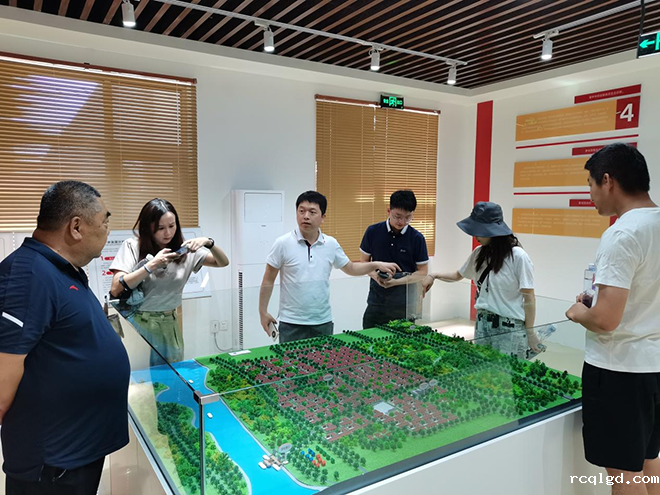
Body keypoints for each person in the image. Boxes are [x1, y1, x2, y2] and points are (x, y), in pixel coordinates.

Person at [0, 181, 130, 495]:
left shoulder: (60, 269)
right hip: (52, 467)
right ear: (76, 227)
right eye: (104, 223)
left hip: (76, 454)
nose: (108, 231)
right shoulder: (28, 275)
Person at [565, 143, 660, 494]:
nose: (590, 194)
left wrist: (579, 312)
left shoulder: (622, 233)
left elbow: (606, 320)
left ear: (608, 181)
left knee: (623, 475)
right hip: (653, 365)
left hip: (619, 371)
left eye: (590, 184)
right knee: (648, 460)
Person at [259, 191, 400, 343]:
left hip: (322, 322)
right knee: (291, 359)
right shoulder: (283, 243)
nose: (306, 216)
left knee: (324, 359)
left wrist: (376, 264)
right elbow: (268, 279)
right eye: (301, 211)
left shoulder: (331, 244)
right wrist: (263, 312)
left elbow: (351, 268)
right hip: (291, 322)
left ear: (323, 217)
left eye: (312, 212)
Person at [109, 198, 228, 364]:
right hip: (138, 321)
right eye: (160, 228)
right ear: (148, 228)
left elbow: (222, 262)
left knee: (170, 373)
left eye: (172, 226)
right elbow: (116, 288)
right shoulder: (133, 246)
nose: (168, 233)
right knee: (140, 373)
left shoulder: (185, 250)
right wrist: (151, 265)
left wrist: (209, 242)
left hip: (170, 321)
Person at [424, 201, 540, 359]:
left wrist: (530, 332)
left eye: (479, 230)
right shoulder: (479, 253)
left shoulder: (518, 257)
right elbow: (458, 275)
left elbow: (529, 297)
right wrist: (433, 275)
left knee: (507, 371)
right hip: (483, 323)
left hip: (509, 328)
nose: (475, 235)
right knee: (482, 369)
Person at [359, 190, 430, 328]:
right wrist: (376, 277)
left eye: (408, 217)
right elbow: (364, 263)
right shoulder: (373, 231)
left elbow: (422, 272)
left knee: (404, 340)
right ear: (388, 211)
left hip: (405, 305)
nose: (402, 222)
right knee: (369, 337)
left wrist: (396, 282)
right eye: (398, 216)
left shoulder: (417, 238)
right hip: (376, 302)